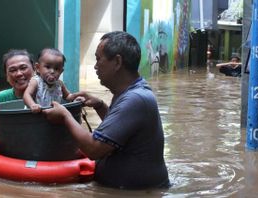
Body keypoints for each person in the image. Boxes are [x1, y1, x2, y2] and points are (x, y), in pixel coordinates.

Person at [42, 31, 170, 189]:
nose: (95, 66)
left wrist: (65, 116)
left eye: (98, 59)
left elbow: (94, 149)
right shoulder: (131, 92)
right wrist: (100, 106)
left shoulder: (135, 99)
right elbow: (120, 131)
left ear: (117, 62)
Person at [0, 49, 35, 140]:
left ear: (35, 69)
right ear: (6, 76)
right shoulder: (2, 98)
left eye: (23, 68)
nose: (19, 73)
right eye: (12, 70)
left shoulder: (47, 94)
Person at [23, 48, 72, 113]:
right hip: (35, 115)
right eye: (48, 67)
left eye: (57, 69)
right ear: (37, 68)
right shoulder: (36, 82)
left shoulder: (60, 84)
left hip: (54, 115)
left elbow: (68, 96)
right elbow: (27, 95)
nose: (52, 71)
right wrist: (32, 105)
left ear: (61, 71)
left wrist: (76, 98)